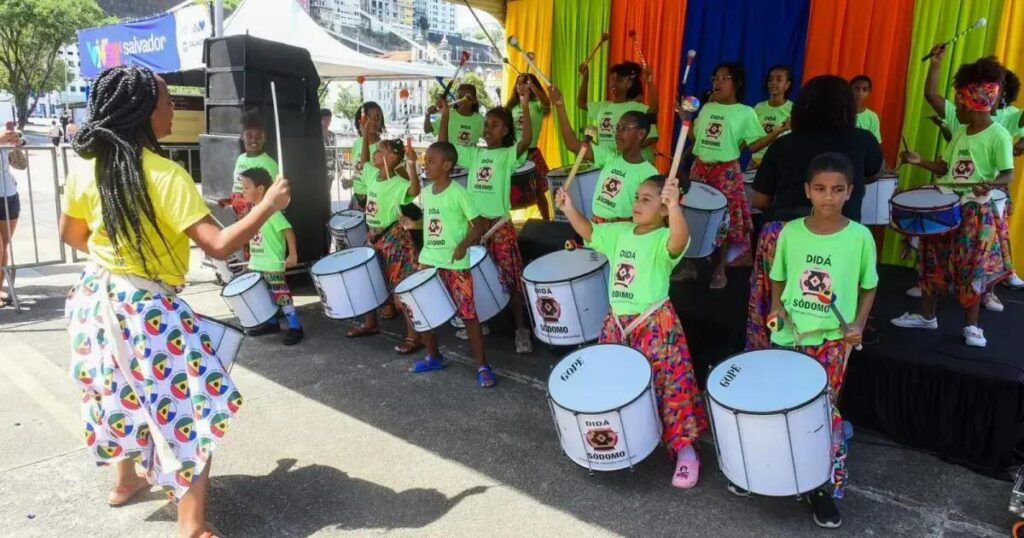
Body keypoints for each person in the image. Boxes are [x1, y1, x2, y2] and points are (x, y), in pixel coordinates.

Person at [58, 65, 291, 537]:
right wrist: (268, 206)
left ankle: (124, 482)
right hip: (146, 310)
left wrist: (119, 259)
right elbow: (220, 245)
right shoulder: (166, 175)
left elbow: (71, 235)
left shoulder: (85, 167)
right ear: (143, 110)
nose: (173, 110)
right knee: (189, 407)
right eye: (167, 101)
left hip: (97, 299)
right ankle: (192, 525)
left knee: (117, 389)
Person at [555, 173, 708, 489]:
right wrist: (569, 208)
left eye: (647, 199)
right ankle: (627, 440)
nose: (637, 203)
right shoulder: (620, 232)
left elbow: (679, 240)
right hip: (618, 324)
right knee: (616, 384)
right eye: (637, 197)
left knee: (670, 388)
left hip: (655, 324)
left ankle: (686, 452)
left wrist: (675, 207)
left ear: (664, 208)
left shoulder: (665, 238)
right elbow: (590, 231)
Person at [761, 152, 878, 528]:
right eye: (821, 189)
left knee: (821, 416)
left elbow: (869, 286)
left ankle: (821, 487)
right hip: (789, 337)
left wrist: (857, 324)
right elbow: (778, 276)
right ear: (808, 191)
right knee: (781, 409)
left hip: (830, 342)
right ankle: (774, 473)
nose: (829, 197)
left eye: (838, 190)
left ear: (850, 192)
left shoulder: (860, 237)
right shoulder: (791, 232)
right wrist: (777, 306)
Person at [746, 75, 883, 349]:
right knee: (832, 307)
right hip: (839, 234)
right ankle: (827, 365)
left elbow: (760, 199)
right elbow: (875, 171)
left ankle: (765, 360)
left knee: (772, 311)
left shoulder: (784, 143)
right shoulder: (863, 140)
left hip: (783, 231)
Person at [893, 56, 1015, 348]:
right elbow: (946, 169)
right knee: (931, 260)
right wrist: (919, 161)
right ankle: (926, 317)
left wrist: (992, 183)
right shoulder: (960, 132)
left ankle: (972, 327)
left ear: (969, 103)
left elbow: (1008, 173)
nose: (954, 108)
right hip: (947, 207)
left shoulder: (997, 135)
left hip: (976, 211)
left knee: (971, 269)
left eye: (958, 103)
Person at [440, 79, 534, 354]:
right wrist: (446, 115)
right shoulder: (474, 155)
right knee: (476, 276)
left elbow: (526, 138)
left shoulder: (507, 155)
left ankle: (521, 330)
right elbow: (444, 143)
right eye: (486, 124)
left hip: (499, 226)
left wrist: (525, 103)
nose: (487, 128)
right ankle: (482, 321)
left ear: (505, 130)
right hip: (476, 226)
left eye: (493, 125)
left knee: (511, 277)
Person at [687, 62, 785, 288]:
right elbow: (696, 139)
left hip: (725, 173)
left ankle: (720, 269)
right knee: (693, 218)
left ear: (737, 83)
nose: (717, 82)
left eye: (724, 78)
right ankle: (690, 266)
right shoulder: (707, 108)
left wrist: (778, 131)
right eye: (715, 78)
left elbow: (754, 144)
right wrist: (685, 118)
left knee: (723, 222)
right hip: (700, 169)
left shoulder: (745, 112)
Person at [405, 141, 493, 387]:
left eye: (431, 161)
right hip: (429, 261)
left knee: (468, 316)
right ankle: (433, 356)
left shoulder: (459, 193)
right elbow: (429, 215)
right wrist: (413, 224)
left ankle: (483, 366)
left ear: (447, 165)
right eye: (426, 160)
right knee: (424, 311)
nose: (427, 164)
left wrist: (463, 245)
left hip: (455, 265)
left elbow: (479, 224)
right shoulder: (427, 191)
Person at [345, 138, 424, 355]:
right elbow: (362, 160)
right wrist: (364, 132)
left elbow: (414, 190)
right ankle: (371, 323)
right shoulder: (372, 174)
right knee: (368, 279)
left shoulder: (397, 183)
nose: (375, 152)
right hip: (373, 235)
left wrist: (410, 165)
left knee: (402, 285)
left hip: (393, 237)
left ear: (392, 158)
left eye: (381, 151)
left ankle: (413, 336)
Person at [551, 86, 658, 224]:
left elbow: (650, 217)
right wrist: (560, 107)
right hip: (597, 229)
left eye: (624, 128)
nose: (618, 133)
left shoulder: (649, 173)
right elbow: (572, 144)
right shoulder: (610, 156)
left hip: (621, 235)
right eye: (617, 128)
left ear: (641, 134)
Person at [238, 167, 303, 345]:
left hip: (272, 264)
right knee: (266, 296)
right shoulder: (254, 210)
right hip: (257, 263)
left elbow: (288, 231)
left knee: (281, 296)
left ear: (260, 189)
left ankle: (295, 327)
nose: (243, 191)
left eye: (246, 187)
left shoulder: (272, 212)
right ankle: (272, 323)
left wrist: (293, 254)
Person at [578, 61, 660, 162]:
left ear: (629, 84)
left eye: (620, 80)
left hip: (631, 168)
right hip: (607, 166)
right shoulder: (602, 106)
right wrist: (585, 78)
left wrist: (627, 151)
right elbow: (581, 103)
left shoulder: (639, 109)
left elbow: (652, 138)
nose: (614, 83)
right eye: (612, 79)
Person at [507, 73, 553, 220]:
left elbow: (546, 103)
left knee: (538, 193)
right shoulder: (511, 108)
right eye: (518, 83)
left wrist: (532, 86)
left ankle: (546, 223)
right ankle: (506, 223)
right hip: (515, 154)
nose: (520, 86)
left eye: (524, 83)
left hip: (532, 153)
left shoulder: (536, 105)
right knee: (512, 191)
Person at [227, 111, 279, 226]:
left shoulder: (269, 164)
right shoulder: (240, 159)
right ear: (242, 136)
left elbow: (274, 194)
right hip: (240, 216)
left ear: (264, 138)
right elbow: (237, 186)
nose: (254, 140)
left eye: (258, 136)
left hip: (258, 220)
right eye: (249, 136)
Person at [0, 123, 27, 305]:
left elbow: (21, 165)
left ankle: (0, 286)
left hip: (8, 195)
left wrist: (15, 146)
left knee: (4, 246)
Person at [749, 65, 794, 170]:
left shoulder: (793, 108)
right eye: (770, 80)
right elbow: (752, 142)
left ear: (787, 85)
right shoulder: (758, 107)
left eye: (779, 79)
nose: (773, 83)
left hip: (780, 163)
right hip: (756, 163)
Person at [346, 102, 385, 210]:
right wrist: (351, 182)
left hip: (375, 199)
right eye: (368, 117)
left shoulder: (383, 148)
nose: (373, 121)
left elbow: (367, 166)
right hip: (357, 198)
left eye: (377, 117)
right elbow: (359, 170)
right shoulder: (357, 143)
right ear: (360, 120)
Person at [851, 75, 883, 147]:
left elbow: (876, 143)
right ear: (850, 90)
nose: (860, 93)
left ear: (869, 92)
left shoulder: (872, 117)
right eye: (856, 89)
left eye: (864, 90)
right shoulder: (842, 112)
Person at [321, 108, 338, 197]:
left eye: (329, 119)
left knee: (328, 191)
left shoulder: (333, 135)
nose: (327, 121)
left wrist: (339, 168)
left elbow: (335, 152)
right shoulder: (316, 135)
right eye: (325, 118)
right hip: (319, 168)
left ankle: (327, 210)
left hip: (330, 169)